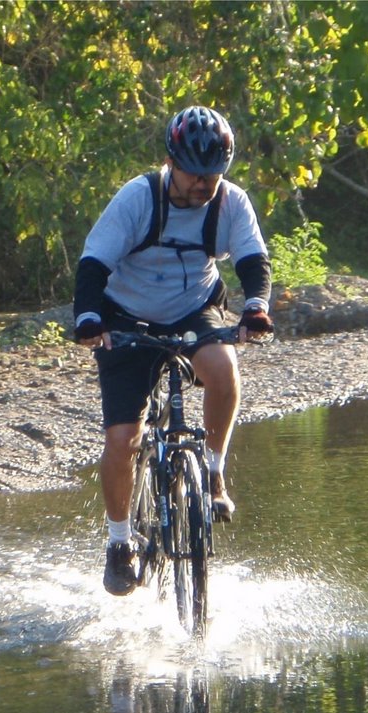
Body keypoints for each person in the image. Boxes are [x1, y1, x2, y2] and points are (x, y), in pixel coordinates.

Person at [73, 105, 273, 596]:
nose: (204, 185)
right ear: (171, 161)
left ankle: (212, 474)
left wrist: (255, 308)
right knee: (123, 439)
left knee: (224, 372)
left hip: (192, 309)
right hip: (125, 318)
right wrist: (89, 319)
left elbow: (252, 260)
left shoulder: (230, 202)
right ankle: (120, 542)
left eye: (213, 175)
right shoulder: (138, 198)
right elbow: (94, 262)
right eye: (194, 175)